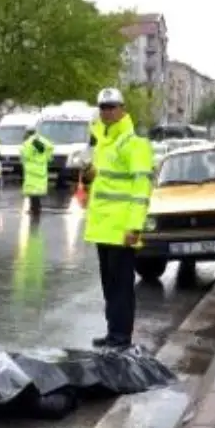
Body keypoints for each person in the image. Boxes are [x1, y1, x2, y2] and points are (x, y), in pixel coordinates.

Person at [84, 88, 154, 349]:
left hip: (122, 228)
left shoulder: (134, 143)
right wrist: (89, 177)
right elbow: (102, 184)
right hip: (102, 228)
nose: (107, 112)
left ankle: (121, 337)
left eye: (112, 107)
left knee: (122, 288)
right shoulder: (103, 143)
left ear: (123, 109)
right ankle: (113, 332)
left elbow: (140, 190)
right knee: (109, 286)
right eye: (103, 107)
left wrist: (134, 227)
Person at [20, 124, 54, 216]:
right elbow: (50, 148)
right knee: (37, 192)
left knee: (33, 192)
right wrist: (47, 158)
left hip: (32, 170)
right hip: (41, 169)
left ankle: (34, 209)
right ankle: (35, 208)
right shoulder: (41, 140)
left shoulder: (29, 142)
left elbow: (25, 154)